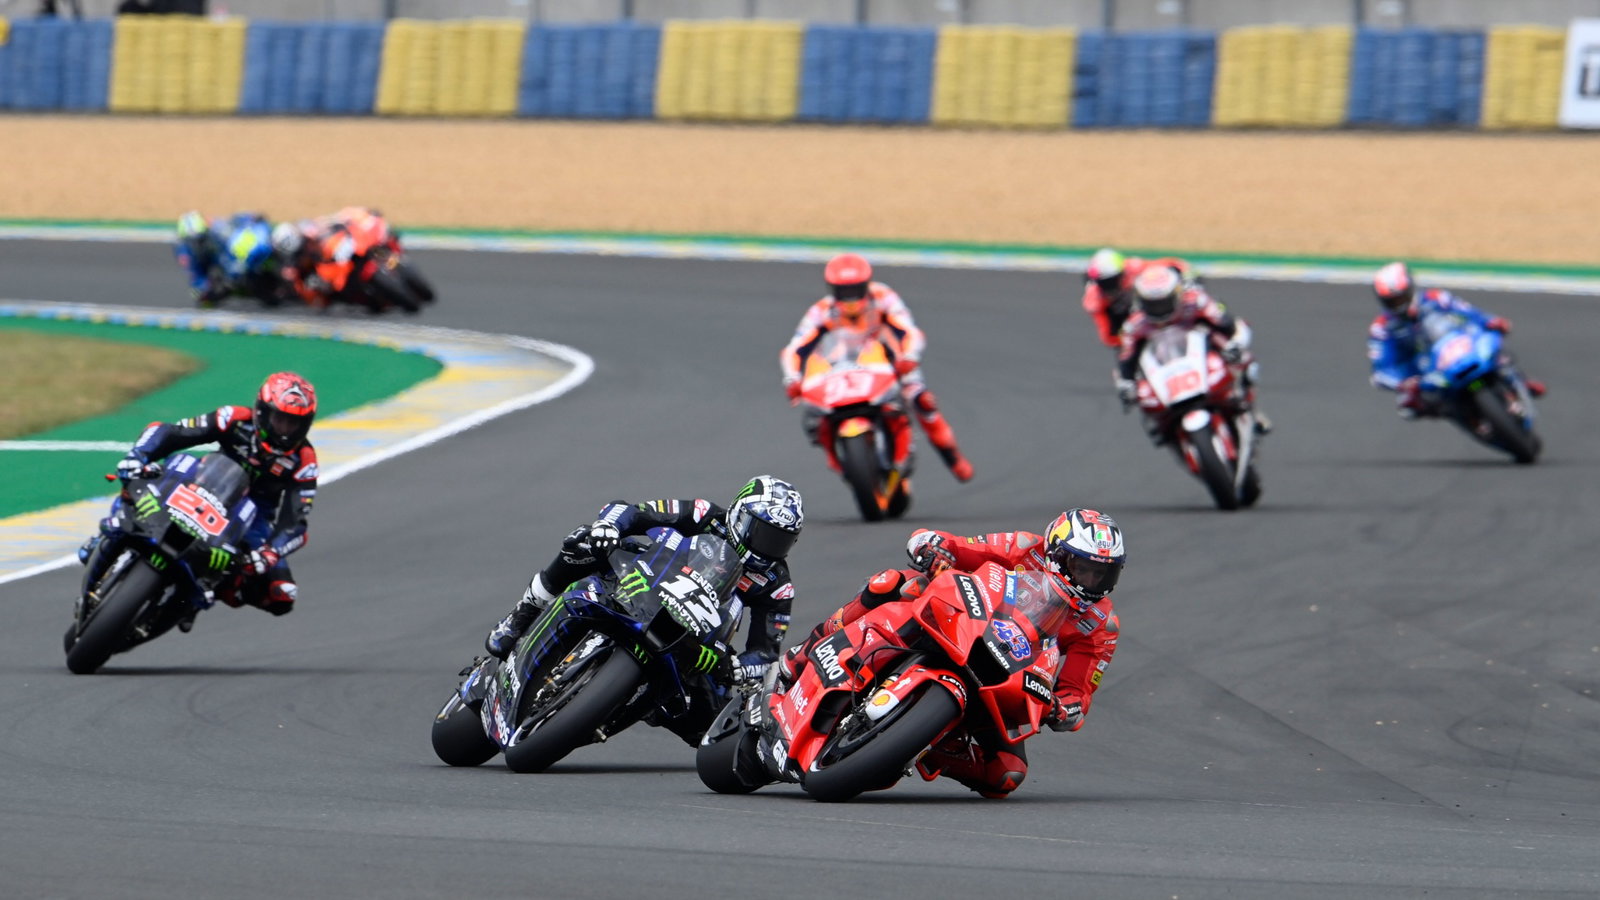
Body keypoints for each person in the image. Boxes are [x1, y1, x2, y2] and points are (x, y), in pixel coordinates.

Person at [777, 507, 1125, 799]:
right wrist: (933, 548)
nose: (1091, 580)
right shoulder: (1023, 548)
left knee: (1007, 773)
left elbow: (1078, 691)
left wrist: (1065, 709)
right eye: (1083, 568)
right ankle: (806, 651)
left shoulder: (1101, 624)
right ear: (1057, 554)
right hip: (961, 619)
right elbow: (955, 545)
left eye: (1102, 573)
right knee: (895, 584)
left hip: (1007, 673)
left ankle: (924, 746)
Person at [482, 476, 805, 738]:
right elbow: (634, 512)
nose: (769, 547)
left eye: (780, 540)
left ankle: (639, 705)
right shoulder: (704, 514)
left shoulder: (777, 583)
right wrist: (609, 527)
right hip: (643, 583)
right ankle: (524, 611)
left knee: (707, 722)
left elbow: (765, 652)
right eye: (763, 533)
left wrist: (740, 668)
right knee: (583, 542)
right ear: (739, 516)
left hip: (695, 638)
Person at [80, 372, 319, 623]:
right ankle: (112, 530)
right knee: (144, 477)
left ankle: (200, 594)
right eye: (280, 420)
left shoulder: (304, 462)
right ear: (261, 411)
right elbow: (171, 432)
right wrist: (137, 457)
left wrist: (270, 552)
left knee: (282, 594)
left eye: (294, 424)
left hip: (252, 518)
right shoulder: (234, 418)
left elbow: (295, 524)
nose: (285, 431)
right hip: (204, 481)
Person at [780, 253, 973, 482]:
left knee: (922, 401)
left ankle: (952, 457)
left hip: (891, 363)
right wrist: (792, 378)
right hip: (841, 370)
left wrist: (910, 355)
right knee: (814, 417)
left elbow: (909, 331)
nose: (850, 299)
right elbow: (794, 349)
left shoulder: (883, 297)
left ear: (866, 285)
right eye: (843, 291)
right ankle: (835, 457)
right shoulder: (821, 311)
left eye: (855, 290)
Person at [1367, 261, 1545, 419]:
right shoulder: (1381, 328)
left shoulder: (1435, 298)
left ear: (1410, 289)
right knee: (1409, 408)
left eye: (1401, 298)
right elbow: (1381, 371)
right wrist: (1403, 384)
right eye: (1392, 302)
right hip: (1422, 373)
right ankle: (1460, 416)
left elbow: (1467, 311)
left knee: (1493, 346)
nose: (1399, 305)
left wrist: (1491, 321)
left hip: (1454, 345)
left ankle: (1518, 380)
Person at [1114, 265, 1269, 435]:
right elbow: (1126, 357)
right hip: (1165, 370)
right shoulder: (1134, 325)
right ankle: (1165, 428)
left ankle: (1252, 411)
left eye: (1163, 302)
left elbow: (1229, 325)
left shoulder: (1195, 300)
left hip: (1204, 354)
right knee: (1146, 408)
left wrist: (1235, 344)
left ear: (1177, 294)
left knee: (1246, 362)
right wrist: (1126, 384)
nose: (1158, 309)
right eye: (1152, 304)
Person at [1081, 249, 1197, 350]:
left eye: (1110, 281)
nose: (1107, 287)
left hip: (1158, 312)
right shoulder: (1094, 301)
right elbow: (1109, 337)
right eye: (1102, 283)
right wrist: (1131, 337)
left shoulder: (1134, 267)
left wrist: (1188, 281)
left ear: (1122, 272)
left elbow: (1175, 264)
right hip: (1135, 331)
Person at [173, 210, 282, 309]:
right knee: (202, 297)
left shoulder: (217, 230)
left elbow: (234, 221)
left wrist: (251, 217)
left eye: (200, 239)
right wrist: (208, 287)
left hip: (230, 258)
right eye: (192, 241)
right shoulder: (185, 254)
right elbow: (196, 276)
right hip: (216, 272)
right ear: (184, 240)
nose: (197, 244)